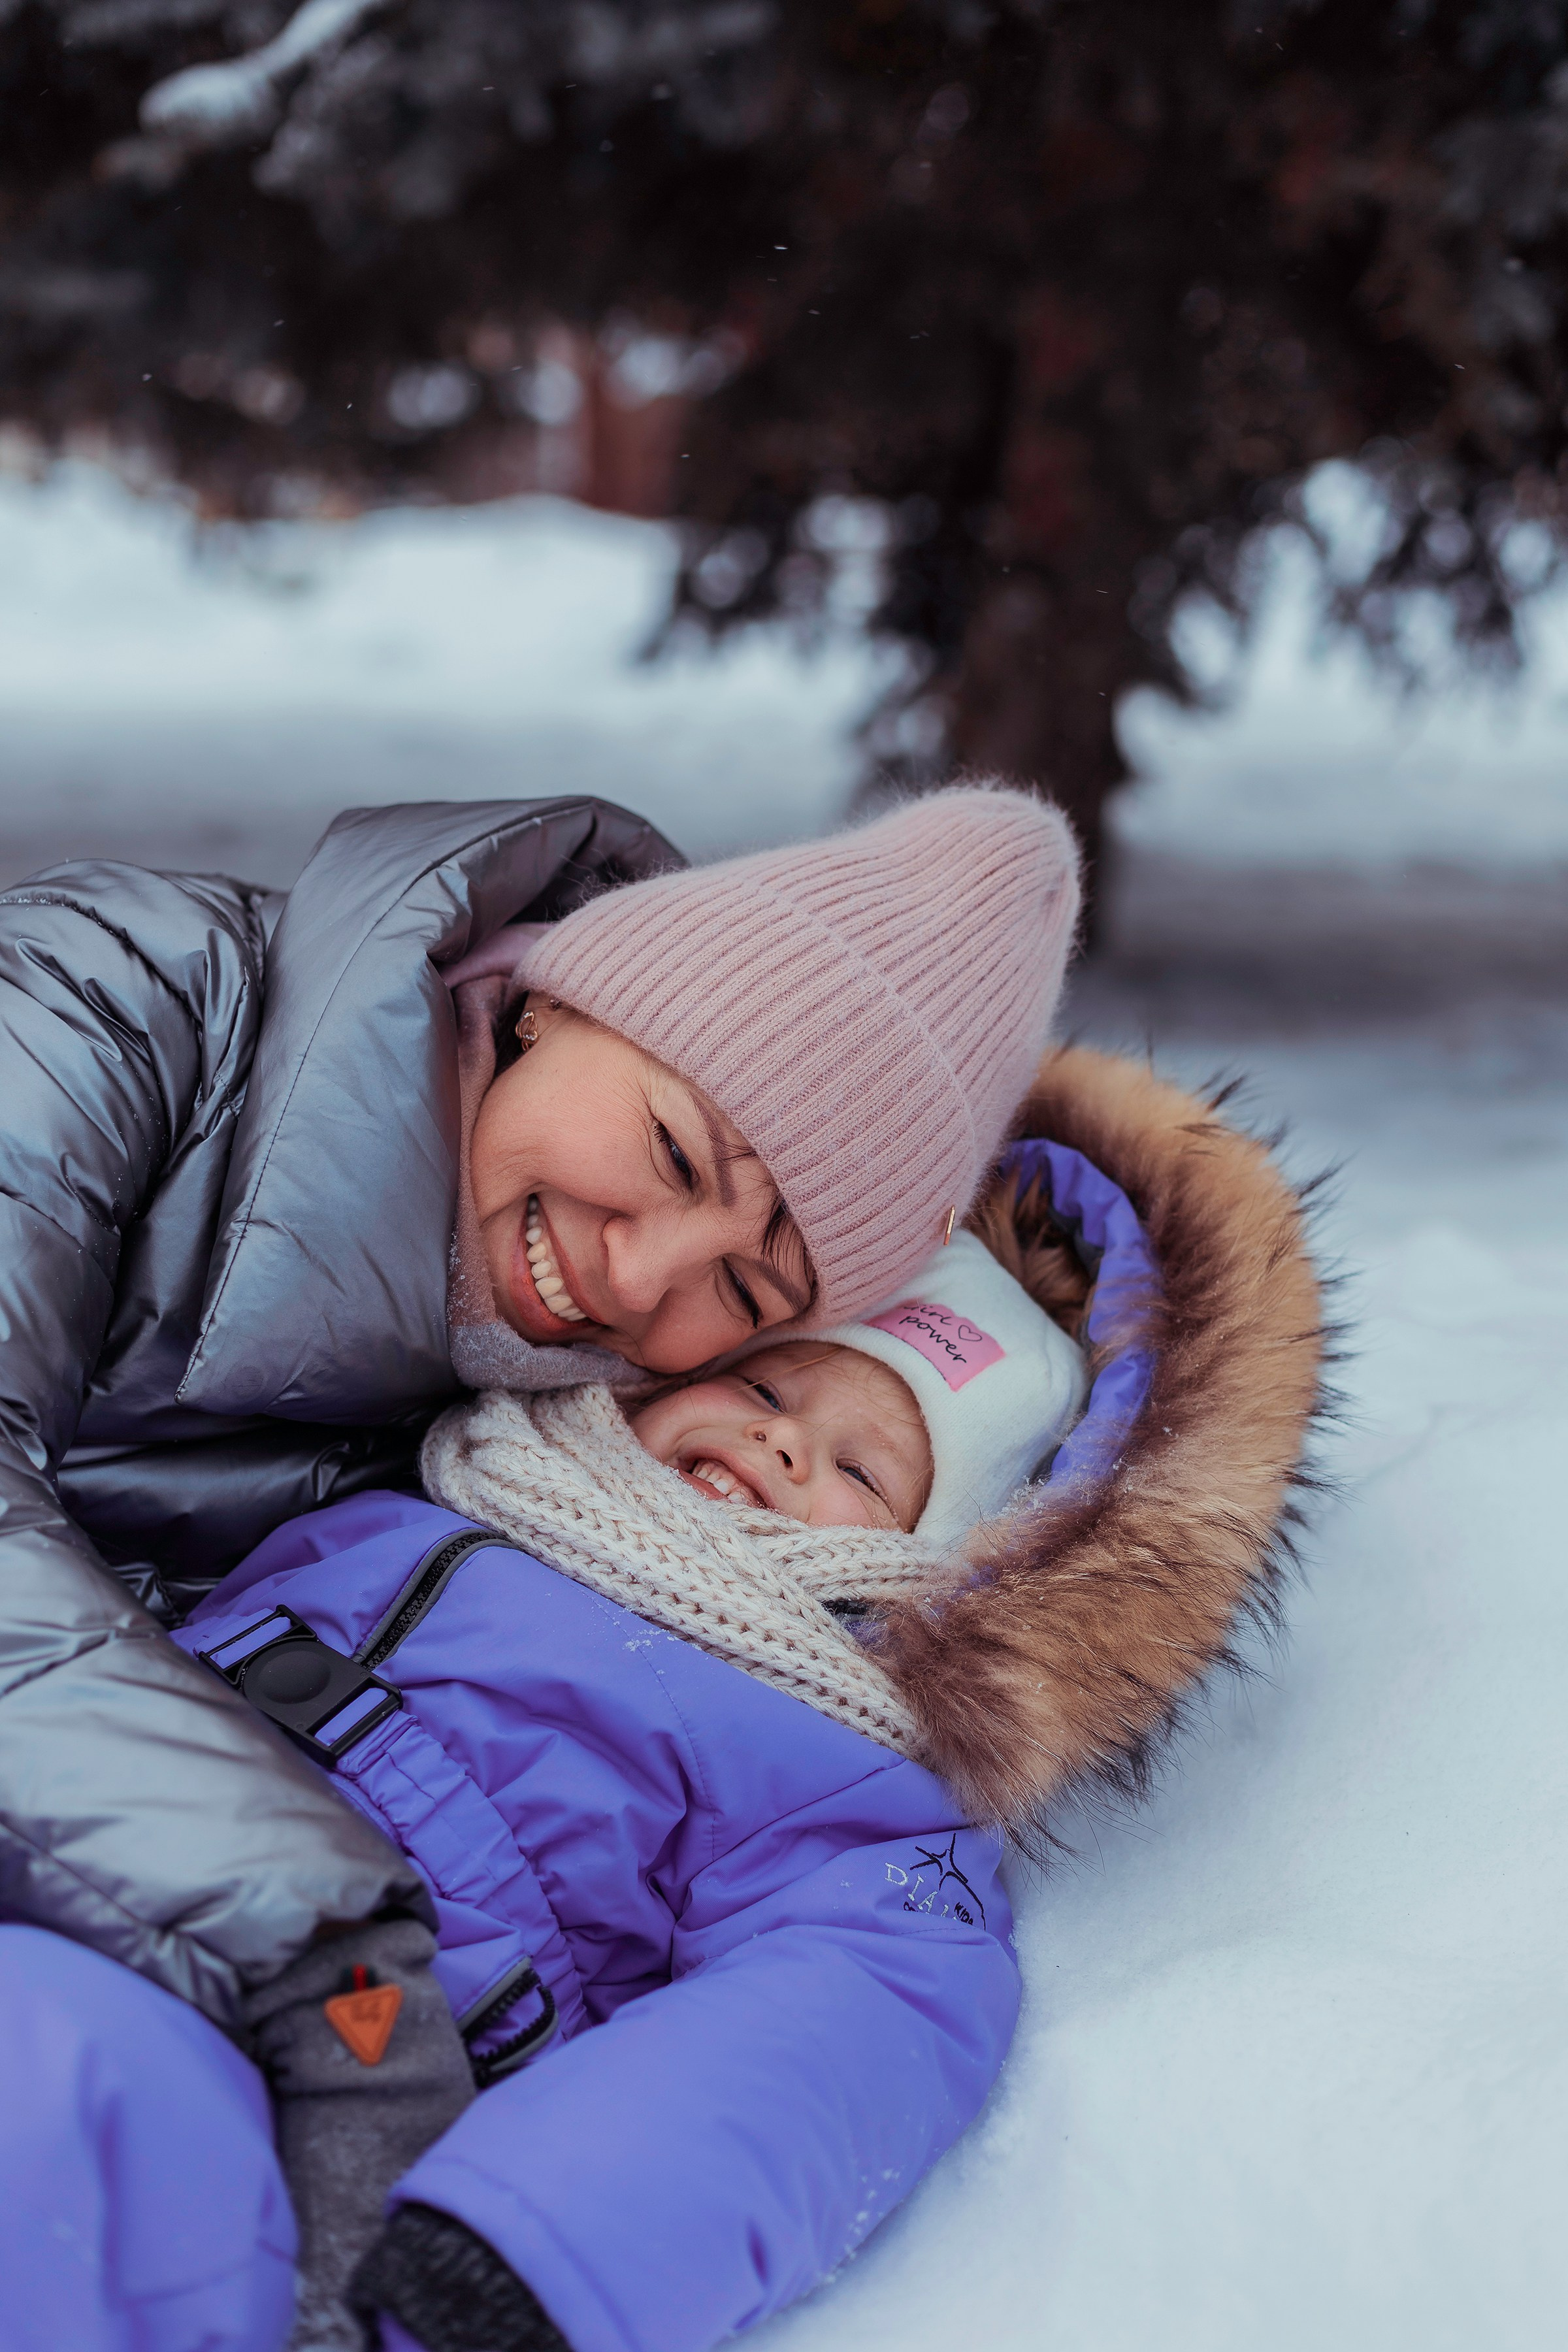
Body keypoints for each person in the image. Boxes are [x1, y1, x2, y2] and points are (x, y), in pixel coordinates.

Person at [0, 785, 1080, 2287]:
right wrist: (310, 1945)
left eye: (746, 1295)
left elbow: (856, 1996)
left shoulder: (502, 1427)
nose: (639, 1281)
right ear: (550, 998)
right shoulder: (118, 1005)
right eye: (677, 1154)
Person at [0, 1209, 1092, 2352]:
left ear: (930, 1567)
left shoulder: (841, 1761)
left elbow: (855, 2013)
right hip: (87, 1821)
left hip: (330, 2035)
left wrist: (520, 2251)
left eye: (861, 1470)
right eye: (765, 1390)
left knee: (52, 2082)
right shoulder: (454, 1480)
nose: (781, 1443)